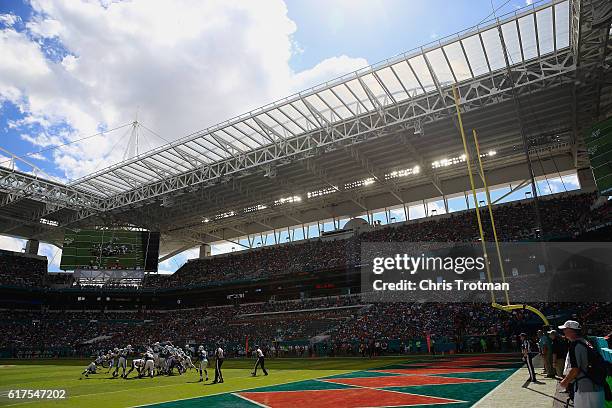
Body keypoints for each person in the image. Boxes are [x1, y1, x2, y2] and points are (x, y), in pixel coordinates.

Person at [558, 320, 605, 408]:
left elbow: (575, 369)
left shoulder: (575, 344)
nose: (563, 331)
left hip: (586, 389)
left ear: (571, 331)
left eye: (565, 329)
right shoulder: (586, 341)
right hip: (597, 385)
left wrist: (565, 382)